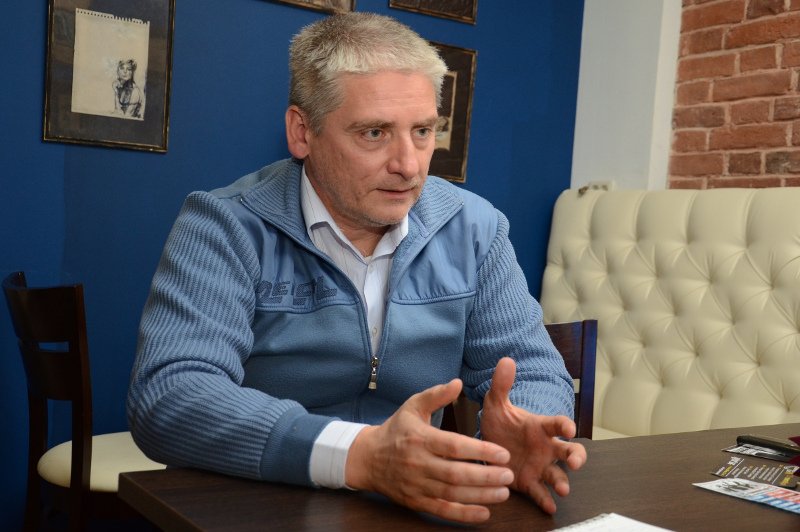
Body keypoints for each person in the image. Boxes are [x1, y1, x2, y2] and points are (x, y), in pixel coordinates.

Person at [127, 12, 586, 524]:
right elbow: (170, 396)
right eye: (374, 132)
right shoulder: (223, 225)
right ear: (302, 132)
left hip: (411, 510)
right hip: (255, 508)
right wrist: (359, 455)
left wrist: (524, 424)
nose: (408, 165)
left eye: (423, 131)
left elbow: (536, 368)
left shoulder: (474, 229)